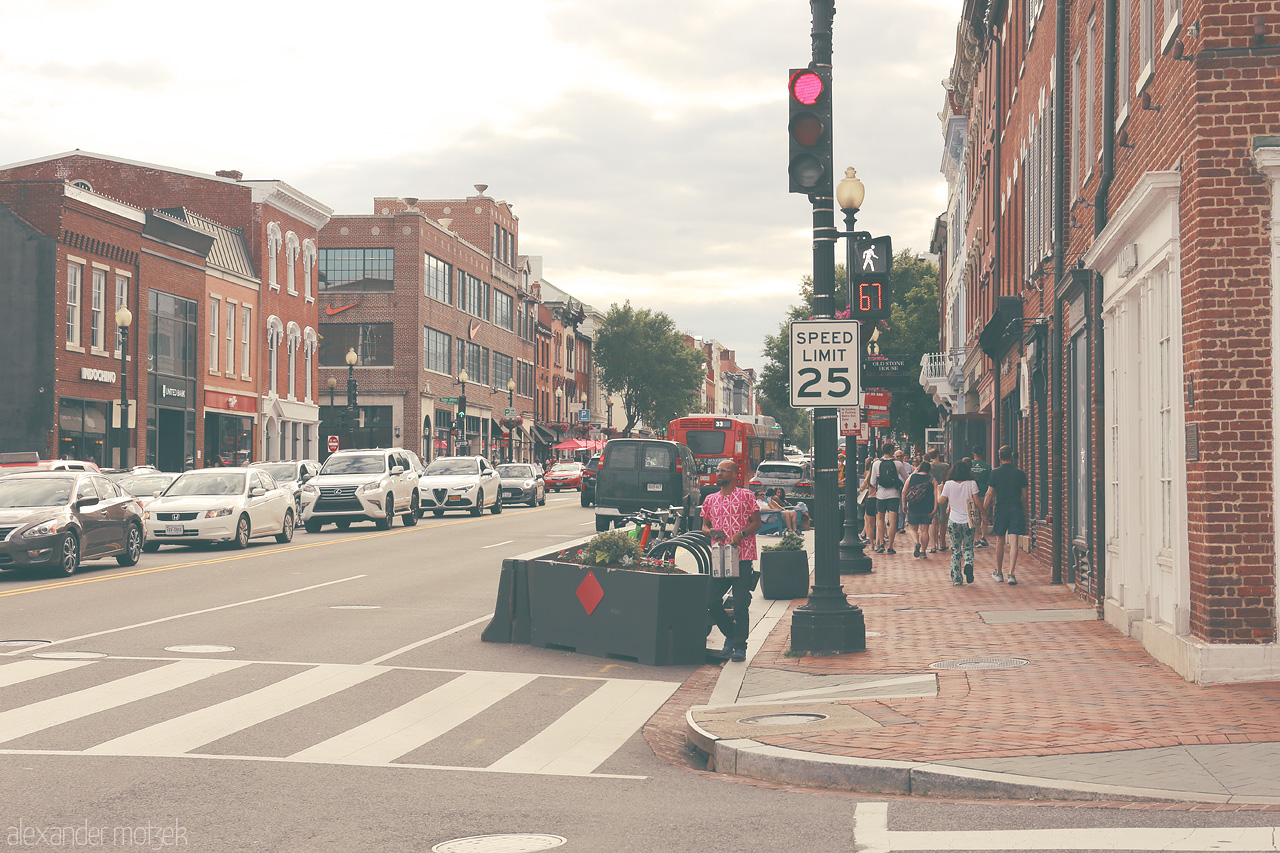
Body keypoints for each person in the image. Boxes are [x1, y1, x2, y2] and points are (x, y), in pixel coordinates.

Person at [701, 459, 762, 662]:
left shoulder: (746, 495)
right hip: (720, 557)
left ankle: (739, 646)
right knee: (711, 600)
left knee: (741, 604)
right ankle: (731, 634)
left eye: (724, 471)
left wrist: (741, 534)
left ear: (734, 474)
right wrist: (712, 533)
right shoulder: (710, 499)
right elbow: (704, 526)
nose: (719, 474)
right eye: (717, 471)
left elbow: (757, 523)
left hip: (742, 557)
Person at [985, 445, 1029, 585]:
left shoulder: (994, 473)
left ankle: (999, 572)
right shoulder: (1020, 474)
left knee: (1000, 541)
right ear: (1012, 456)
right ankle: (1011, 573)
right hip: (1016, 508)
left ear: (999, 458)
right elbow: (1025, 496)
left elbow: (989, 493)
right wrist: (1025, 510)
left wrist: (983, 511)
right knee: (1014, 541)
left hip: (1001, 508)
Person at [937, 459, 984, 585]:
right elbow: (977, 501)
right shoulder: (971, 484)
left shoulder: (948, 484)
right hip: (968, 520)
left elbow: (940, 501)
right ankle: (968, 563)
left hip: (954, 520)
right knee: (968, 546)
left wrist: (938, 491)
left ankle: (957, 578)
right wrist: (983, 513)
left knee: (955, 549)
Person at [872, 442, 913, 554]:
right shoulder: (898, 464)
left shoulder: (876, 464)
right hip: (894, 495)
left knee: (880, 520)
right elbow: (907, 478)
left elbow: (872, 482)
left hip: (880, 495)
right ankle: (890, 546)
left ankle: (880, 544)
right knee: (893, 520)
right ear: (891, 451)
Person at [901, 460, 934, 558]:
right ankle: (923, 552)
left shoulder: (912, 477)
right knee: (925, 530)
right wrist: (935, 508)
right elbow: (936, 494)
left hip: (913, 506)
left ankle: (916, 542)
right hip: (928, 507)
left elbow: (904, 491)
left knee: (912, 528)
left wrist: (904, 504)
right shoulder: (932, 479)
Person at [970, 445, 993, 547]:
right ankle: (983, 537)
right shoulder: (987, 466)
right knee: (984, 515)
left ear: (973, 454)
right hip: (984, 493)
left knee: (974, 516)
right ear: (982, 454)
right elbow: (991, 481)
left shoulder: (969, 465)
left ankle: (976, 538)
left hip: (972, 494)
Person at [927, 450, 949, 553]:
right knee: (943, 520)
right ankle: (942, 543)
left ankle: (933, 545)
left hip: (931, 493)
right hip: (943, 492)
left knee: (933, 520)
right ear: (938, 455)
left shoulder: (928, 466)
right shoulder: (946, 466)